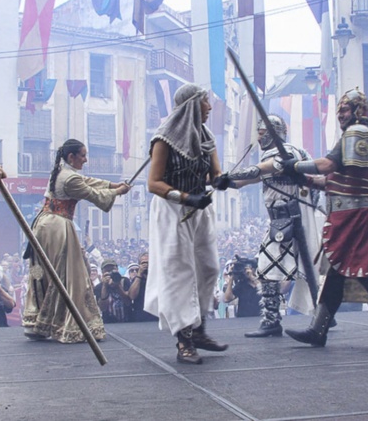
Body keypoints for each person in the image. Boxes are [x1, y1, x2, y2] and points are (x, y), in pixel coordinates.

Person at [281, 88, 368, 350]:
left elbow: (328, 165)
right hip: (350, 216)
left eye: (345, 110)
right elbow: (332, 180)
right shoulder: (352, 137)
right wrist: (303, 178)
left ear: (360, 111)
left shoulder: (358, 132)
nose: (341, 115)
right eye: (339, 111)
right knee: (335, 274)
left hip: (360, 218)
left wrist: (296, 165)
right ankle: (318, 330)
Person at [215, 114, 320, 337]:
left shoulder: (287, 153)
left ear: (274, 134)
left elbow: (259, 170)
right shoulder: (280, 155)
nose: (259, 138)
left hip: (289, 220)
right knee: (300, 270)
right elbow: (243, 181)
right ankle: (321, 317)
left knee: (268, 268)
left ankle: (276, 320)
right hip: (282, 221)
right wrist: (216, 180)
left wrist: (228, 175)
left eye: (263, 133)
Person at [145, 83, 228, 365]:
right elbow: (154, 183)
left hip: (199, 209)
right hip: (172, 211)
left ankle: (200, 329)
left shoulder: (206, 136)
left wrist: (220, 180)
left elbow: (214, 173)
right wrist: (185, 197)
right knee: (180, 273)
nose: (209, 107)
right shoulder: (163, 140)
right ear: (192, 104)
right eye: (206, 102)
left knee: (209, 267)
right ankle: (184, 341)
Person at [22, 139, 131, 342]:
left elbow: (89, 181)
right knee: (68, 275)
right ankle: (67, 324)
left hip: (45, 226)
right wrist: (117, 191)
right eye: (82, 155)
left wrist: (111, 184)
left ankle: (37, 321)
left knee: (43, 273)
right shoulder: (70, 179)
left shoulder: (61, 173)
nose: (86, 159)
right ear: (71, 157)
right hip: (57, 228)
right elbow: (93, 194)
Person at [94, 259, 132, 323]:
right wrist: (104, 286)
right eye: (107, 270)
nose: (110, 272)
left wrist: (118, 285)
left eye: (112, 270)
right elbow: (102, 308)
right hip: (109, 323)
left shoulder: (125, 281)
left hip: (127, 320)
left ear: (117, 269)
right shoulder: (99, 287)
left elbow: (128, 302)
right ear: (103, 273)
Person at [128, 256, 158, 322]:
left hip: (156, 316)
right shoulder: (136, 280)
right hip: (140, 317)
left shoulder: (158, 278)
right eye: (143, 263)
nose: (145, 265)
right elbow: (132, 296)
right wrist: (139, 275)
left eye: (147, 263)